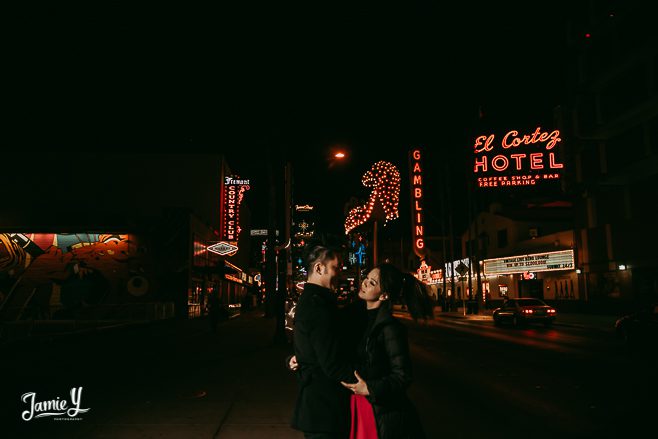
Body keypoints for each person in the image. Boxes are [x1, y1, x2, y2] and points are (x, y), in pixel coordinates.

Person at [341, 263, 431, 439]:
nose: (365, 283)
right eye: (367, 278)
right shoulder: (353, 317)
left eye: (372, 283)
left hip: (383, 415)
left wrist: (370, 388)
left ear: (384, 295)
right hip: (358, 407)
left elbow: (403, 376)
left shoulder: (390, 328)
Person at [290, 244, 356, 439]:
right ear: (319, 268)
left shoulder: (314, 300)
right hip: (324, 411)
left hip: (319, 409)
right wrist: (368, 384)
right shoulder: (317, 305)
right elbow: (332, 364)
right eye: (336, 268)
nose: (340, 274)